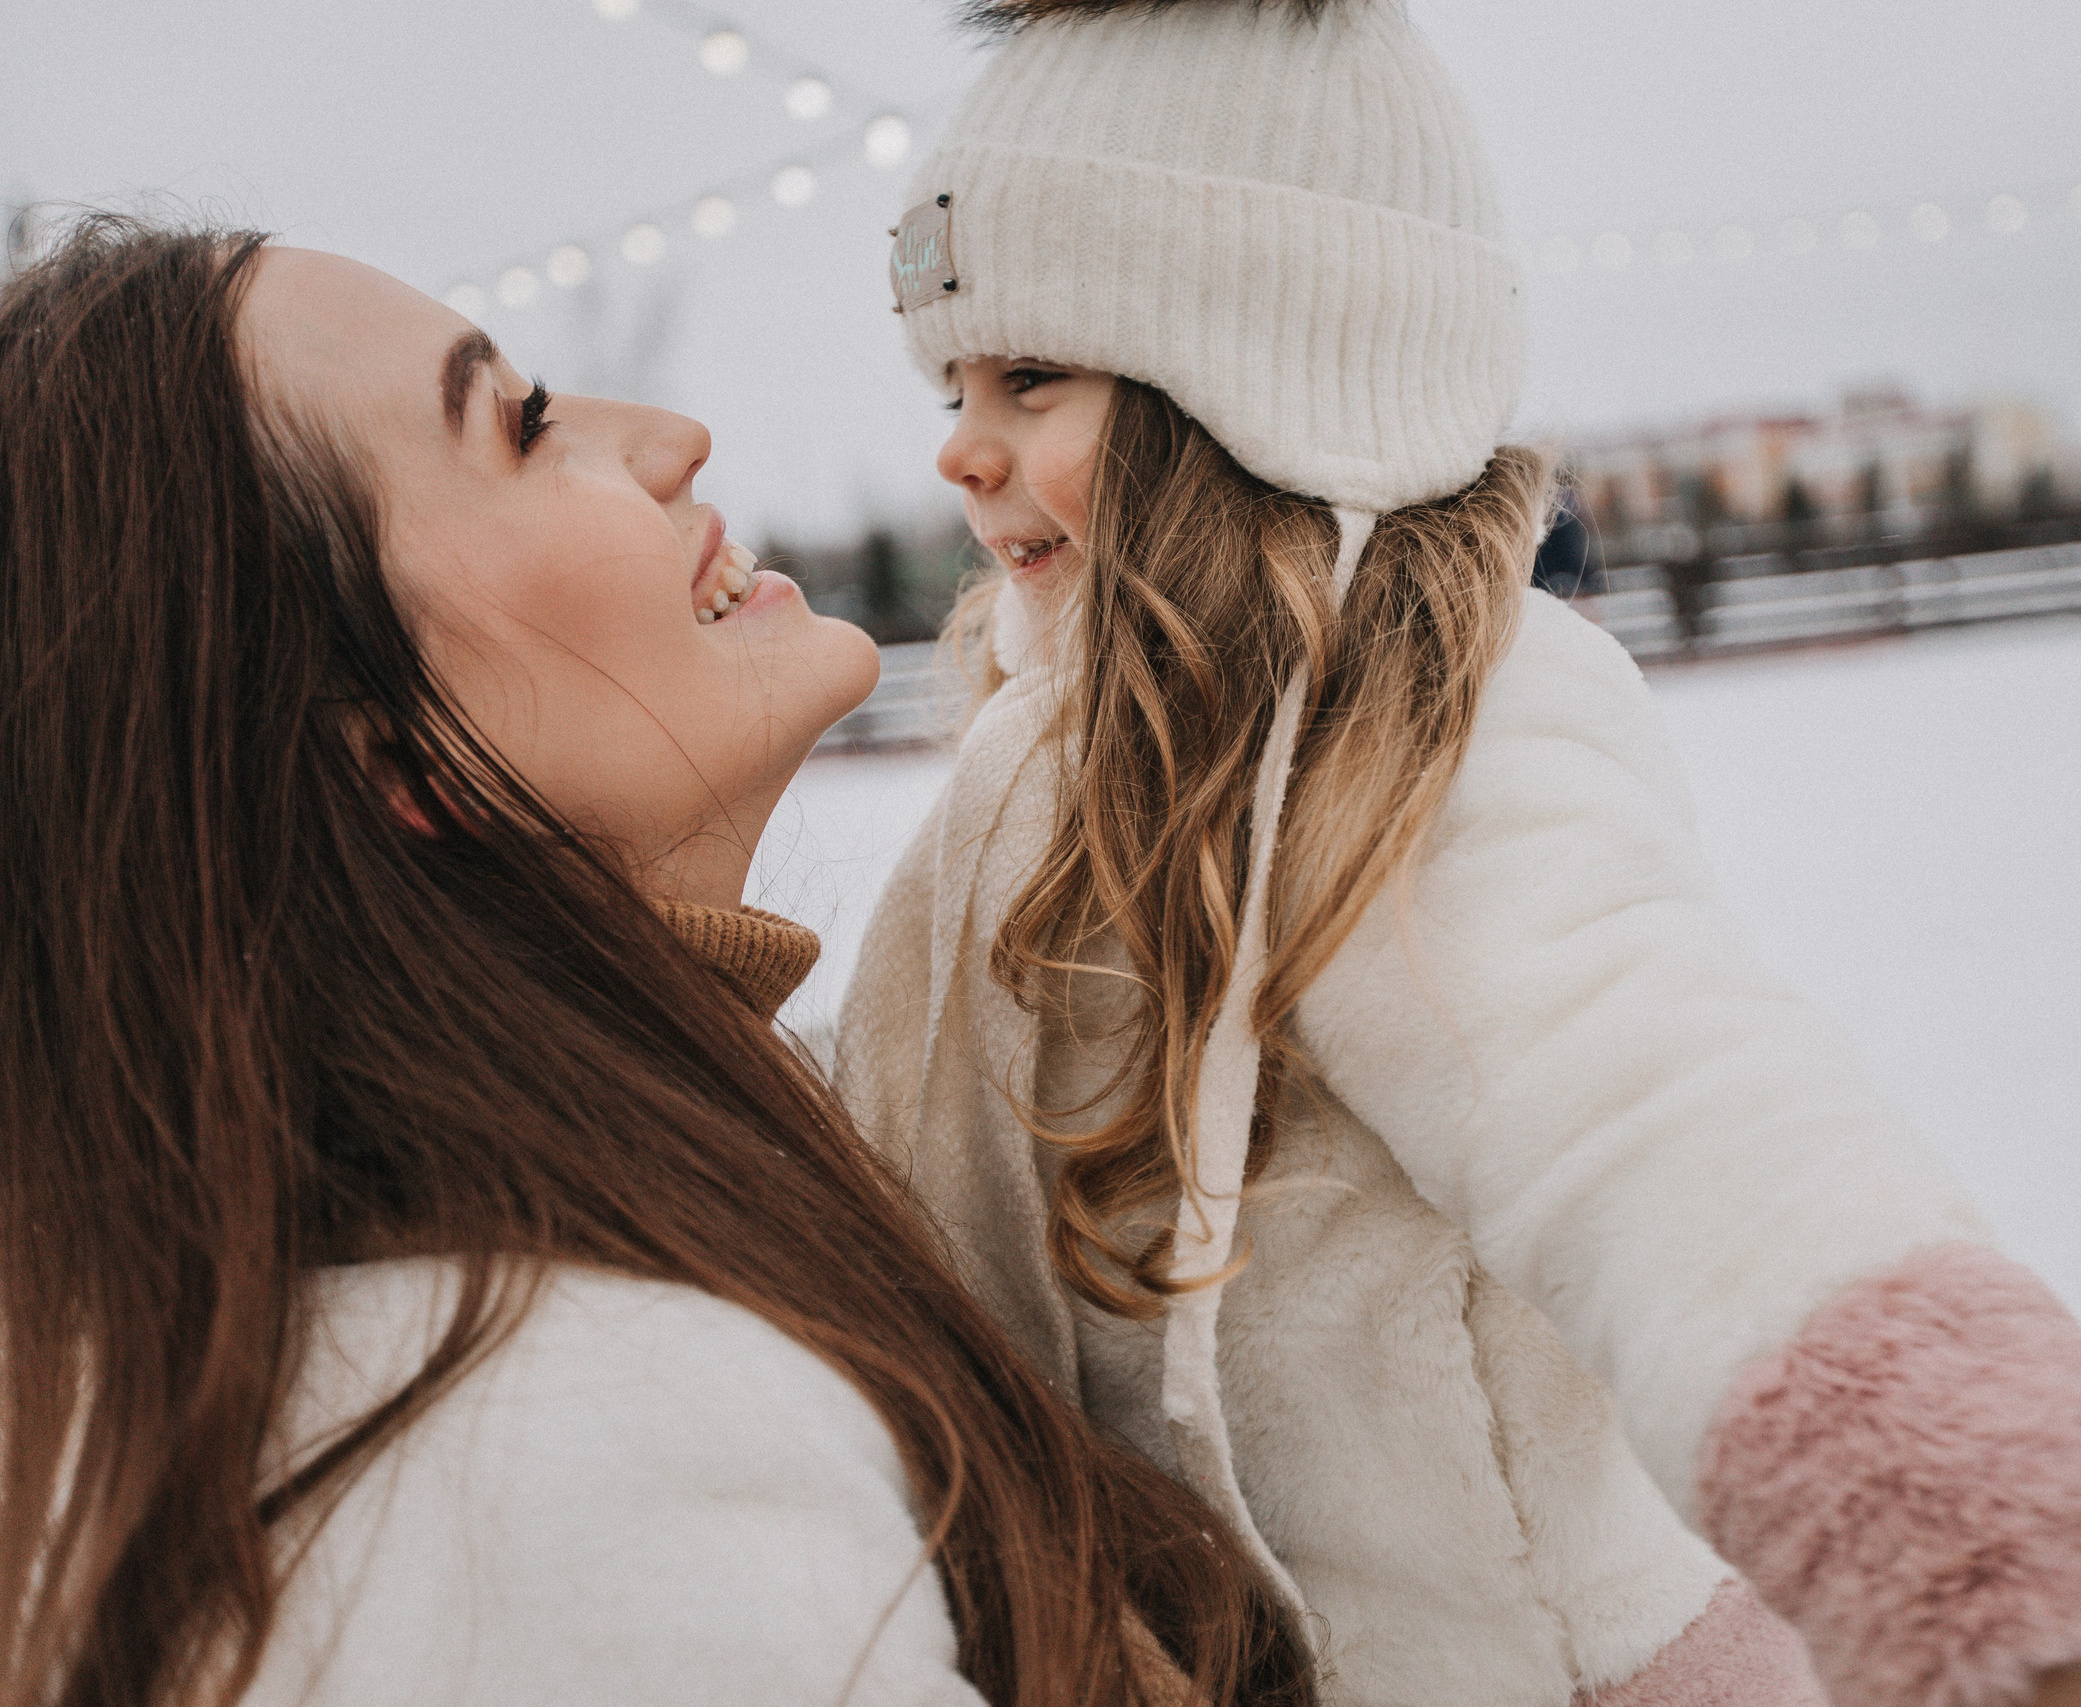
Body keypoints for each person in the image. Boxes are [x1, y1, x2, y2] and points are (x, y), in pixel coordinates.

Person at [833, 4, 2081, 1707]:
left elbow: (1650, 1102)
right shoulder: (1055, 748)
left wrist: (1981, 1522)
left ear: (1250, 372)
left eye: (1031, 375)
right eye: (951, 384)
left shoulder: (1419, 725)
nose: (957, 444)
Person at [0, 218, 1315, 1707]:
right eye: (520, 424)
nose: (676, 438)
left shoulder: (679, 1184)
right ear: (386, 756)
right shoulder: (542, 1453)